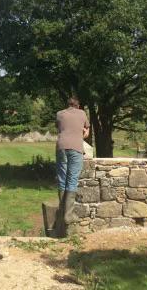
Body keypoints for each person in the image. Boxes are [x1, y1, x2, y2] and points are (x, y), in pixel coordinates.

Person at [55, 97, 90, 236]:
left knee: (62, 178)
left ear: (67, 105)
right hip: (76, 148)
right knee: (72, 179)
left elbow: (61, 128)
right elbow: (85, 132)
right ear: (78, 105)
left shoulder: (60, 114)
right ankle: (68, 215)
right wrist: (84, 132)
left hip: (61, 147)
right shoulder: (82, 114)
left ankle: (63, 212)